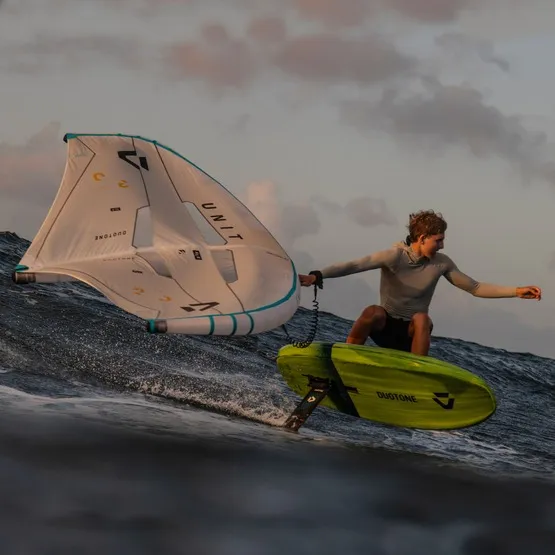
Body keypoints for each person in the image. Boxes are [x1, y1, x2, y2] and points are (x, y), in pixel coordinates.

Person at [299, 210, 542, 357]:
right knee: (372, 311)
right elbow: (355, 265)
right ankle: (346, 358)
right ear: (423, 238)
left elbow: (475, 287)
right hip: (385, 328)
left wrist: (516, 291)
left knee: (422, 319)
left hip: (411, 335)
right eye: (439, 240)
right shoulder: (394, 256)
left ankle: (417, 371)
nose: (442, 245)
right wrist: (317, 275)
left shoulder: (442, 263)